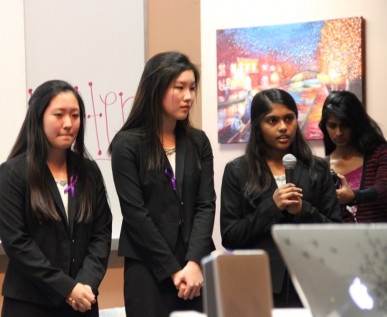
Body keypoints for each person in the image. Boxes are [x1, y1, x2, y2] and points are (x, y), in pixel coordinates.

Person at [109, 51, 216, 317]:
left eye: (192, 88)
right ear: (155, 89)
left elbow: (206, 204)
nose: (188, 96)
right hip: (148, 268)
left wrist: (193, 263)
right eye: (179, 88)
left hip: (195, 270)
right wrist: (173, 269)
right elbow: (135, 214)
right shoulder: (127, 144)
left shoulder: (198, 141)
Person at [0, 80, 112, 317]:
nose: (69, 123)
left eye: (75, 115)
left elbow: (101, 236)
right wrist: (67, 288)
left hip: (83, 301)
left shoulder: (89, 172)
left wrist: (85, 285)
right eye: (59, 115)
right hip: (30, 303)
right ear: (38, 118)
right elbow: (17, 243)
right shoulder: (13, 172)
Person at [220, 88, 342, 308]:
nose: (283, 127)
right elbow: (230, 236)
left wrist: (303, 210)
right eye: (272, 120)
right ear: (258, 125)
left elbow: (336, 232)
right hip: (257, 284)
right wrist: (271, 207)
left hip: (311, 283)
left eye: (289, 118)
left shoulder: (318, 169)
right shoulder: (237, 170)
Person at [319, 90, 387, 223]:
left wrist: (354, 196)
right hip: (342, 241)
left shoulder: (380, 154)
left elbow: (384, 189)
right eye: (332, 126)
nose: (338, 133)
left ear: (356, 123)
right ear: (325, 127)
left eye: (345, 125)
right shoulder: (322, 166)